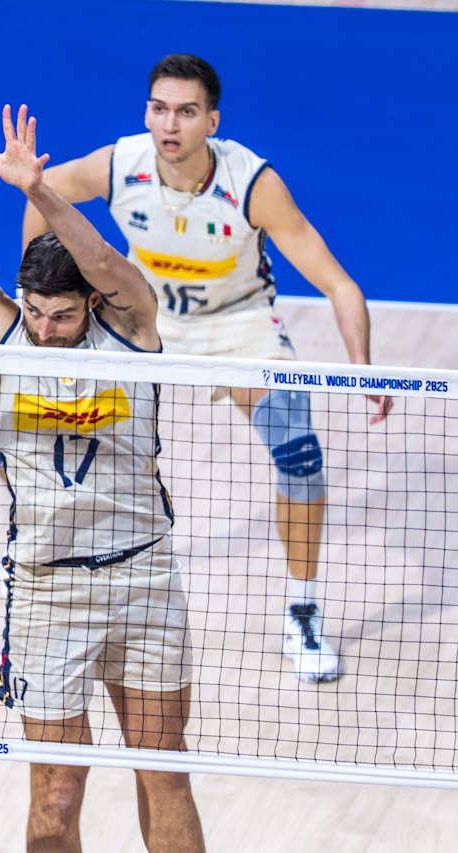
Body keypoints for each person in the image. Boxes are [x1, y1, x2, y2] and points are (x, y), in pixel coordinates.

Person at [0, 50, 205, 852]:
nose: (44, 327)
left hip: (144, 577)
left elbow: (106, 264)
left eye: (59, 315)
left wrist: (37, 190)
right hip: (48, 590)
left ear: (90, 305)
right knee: (56, 792)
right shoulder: (2, 335)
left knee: (163, 767)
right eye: (35, 311)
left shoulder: (132, 326)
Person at [19, 54, 392, 683]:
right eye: (159, 109)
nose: (170, 125)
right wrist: (38, 282)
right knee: (56, 426)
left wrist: (362, 367)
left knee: (300, 456)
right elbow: (46, 197)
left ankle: (301, 610)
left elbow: (340, 285)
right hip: (145, 317)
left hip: (237, 326)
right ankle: (63, 572)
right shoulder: (120, 163)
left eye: (187, 112)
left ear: (211, 120)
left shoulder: (253, 184)